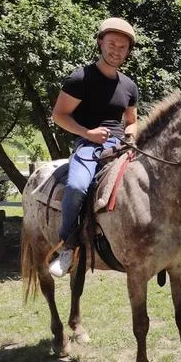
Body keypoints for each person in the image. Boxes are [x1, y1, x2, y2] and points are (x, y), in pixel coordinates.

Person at [48, 17, 140, 277]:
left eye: (123, 47)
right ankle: (67, 247)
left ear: (128, 51)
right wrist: (87, 132)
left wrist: (131, 138)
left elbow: (132, 122)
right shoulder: (81, 78)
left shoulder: (129, 86)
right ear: (101, 42)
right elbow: (60, 115)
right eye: (112, 44)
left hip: (121, 146)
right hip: (88, 144)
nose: (116, 51)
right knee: (77, 187)